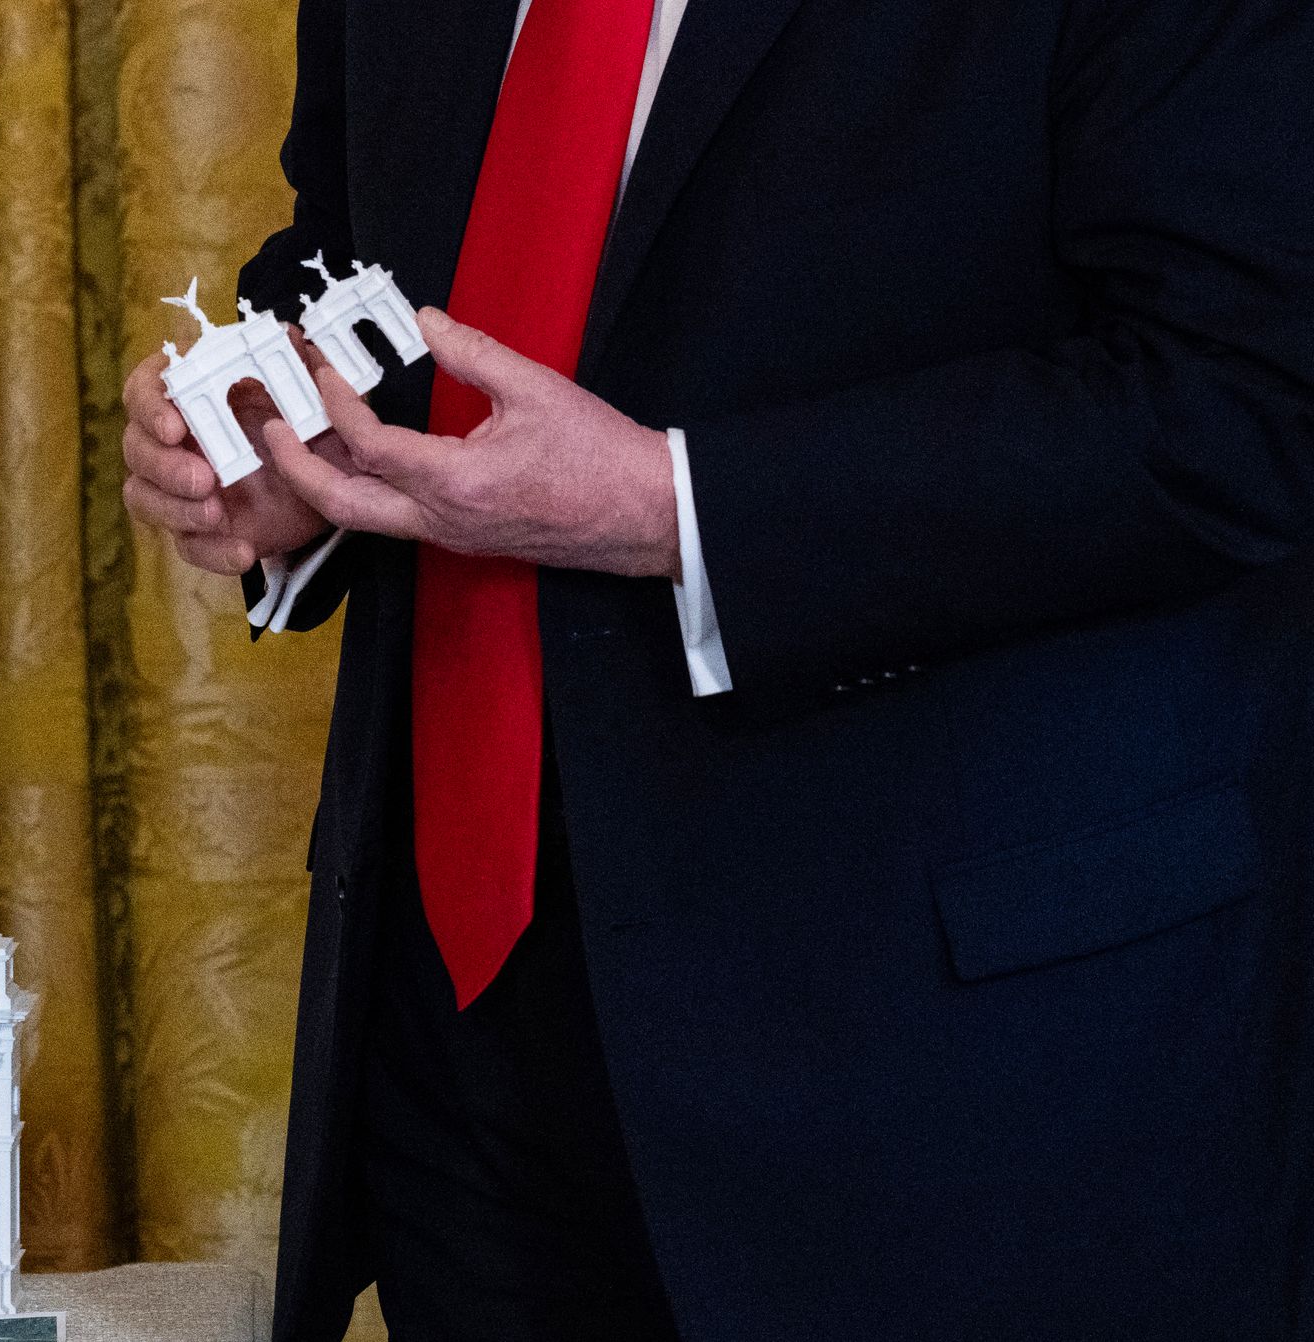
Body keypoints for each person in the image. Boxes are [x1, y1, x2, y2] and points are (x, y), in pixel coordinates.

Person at [121, 0, 1314, 1338]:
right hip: (467, 1043)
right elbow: (359, 263)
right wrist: (272, 442)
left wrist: (672, 504)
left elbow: (1238, 400)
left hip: (964, 1074)